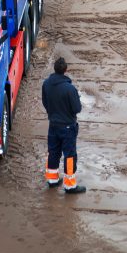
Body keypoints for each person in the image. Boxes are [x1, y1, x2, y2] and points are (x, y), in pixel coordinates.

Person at [41, 57, 85, 194]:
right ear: (65, 70)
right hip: (67, 127)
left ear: (55, 69)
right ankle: (70, 185)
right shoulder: (70, 89)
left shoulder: (46, 84)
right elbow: (77, 108)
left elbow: (45, 102)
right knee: (70, 155)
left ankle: (52, 179)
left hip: (53, 124)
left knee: (53, 152)